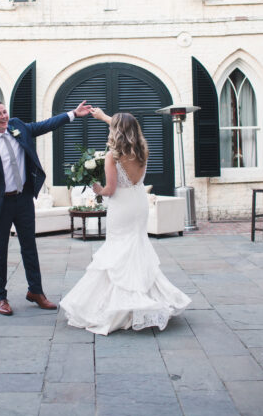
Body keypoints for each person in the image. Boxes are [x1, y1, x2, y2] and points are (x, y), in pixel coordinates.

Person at [60, 108, 191, 335]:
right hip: (138, 203)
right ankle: (143, 295)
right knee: (136, 246)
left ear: (116, 131)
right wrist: (104, 117)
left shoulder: (113, 156)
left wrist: (96, 188)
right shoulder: (143, 149)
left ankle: (123, 306)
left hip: (121, 206)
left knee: (117, 250)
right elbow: (128, 127)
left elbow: (110, 190)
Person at [0, 99, 91, 316]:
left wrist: (73, 114)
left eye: (4, 112)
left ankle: (36, 292)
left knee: (29, 247)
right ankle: (0, 297)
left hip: (23, 199)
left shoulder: (17, 126)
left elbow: (44, 125)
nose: (4, 116)